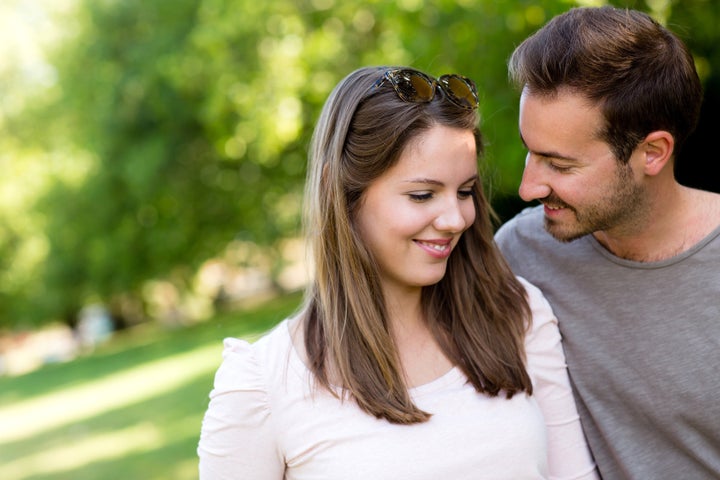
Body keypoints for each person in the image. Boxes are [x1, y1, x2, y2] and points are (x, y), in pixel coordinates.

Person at [197, 66, 598, 479]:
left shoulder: (517, 314)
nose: (455, 219)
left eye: (464, 192)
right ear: (344, 195)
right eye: (422, 195)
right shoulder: (262, 386)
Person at [494, 6, 720, 480]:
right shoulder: (519, 253)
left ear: (652, 153)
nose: (529, 187)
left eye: (559, 164)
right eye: (530, 151)